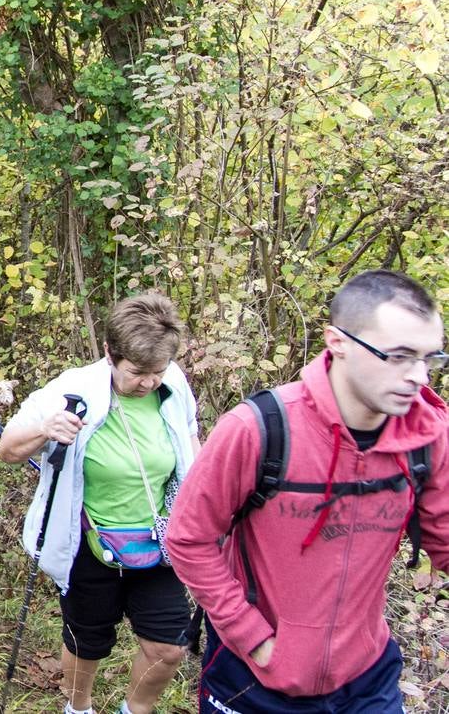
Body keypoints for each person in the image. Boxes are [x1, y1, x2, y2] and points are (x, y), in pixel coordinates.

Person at [166, 270, 449, 713]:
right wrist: (252, 637)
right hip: (254, 678)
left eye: (430, 358)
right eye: (398, 356)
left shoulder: (427, 437)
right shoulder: (259, 429)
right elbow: (188, 538)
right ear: (337, 342)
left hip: (366, 679)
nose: (418, 377)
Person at [0, 293, 199, 714]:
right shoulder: (73, 389)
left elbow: (190, 443)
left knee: (169, 646)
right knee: (87, 641)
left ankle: (135, 709)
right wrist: (45, 429)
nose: (148, 383)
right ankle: (79, 707)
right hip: (87, 540)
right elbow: (8, 449)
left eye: (156, 372)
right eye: (137, 373)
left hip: (157, 539)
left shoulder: (174, 385)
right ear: (110, 353)